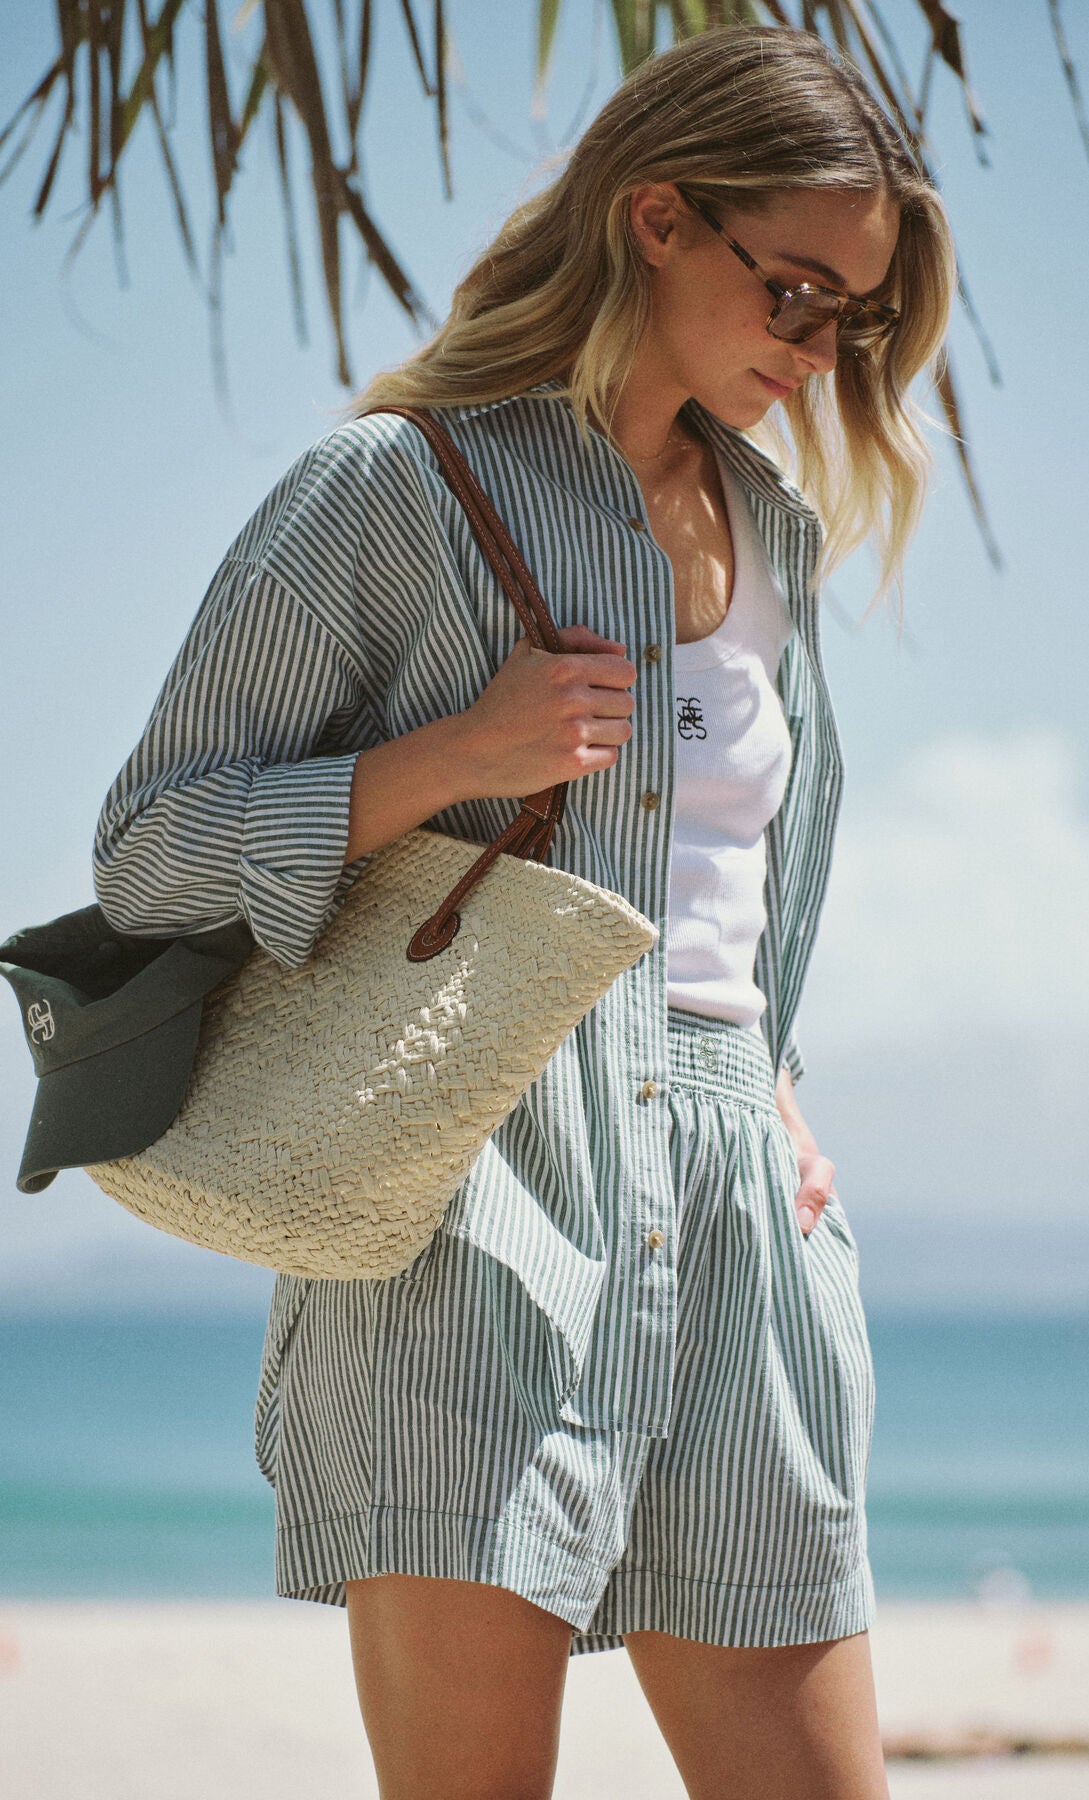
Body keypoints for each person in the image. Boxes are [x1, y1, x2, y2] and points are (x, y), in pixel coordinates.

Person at [91, 24, 954, 1800]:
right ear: (657, 218)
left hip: (741, 1225)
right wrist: (451, 755)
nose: (816, 349)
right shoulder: (395, 488)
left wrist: (769, 1086)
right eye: (794, 291)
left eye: (849, 319)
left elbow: (727, 900)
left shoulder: (773, 537)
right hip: (471, 1209)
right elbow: (148, 856)